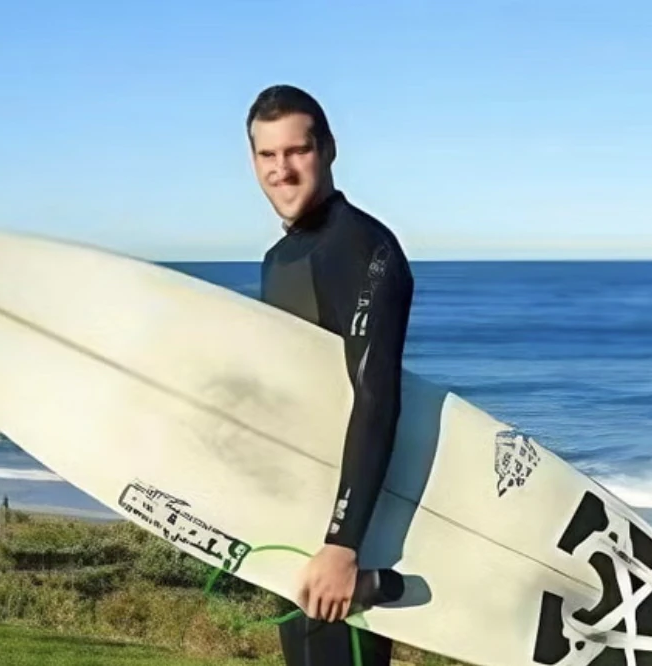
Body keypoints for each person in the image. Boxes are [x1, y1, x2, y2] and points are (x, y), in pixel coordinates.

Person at [247, 84, 415, 666]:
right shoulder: (278, 261)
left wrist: (344, 544)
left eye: (298, 151)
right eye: (268, 156)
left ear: (329, 150)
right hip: (296, 530)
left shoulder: (364, 248)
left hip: (343, 541)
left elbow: (375, 398)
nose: (283, 170)